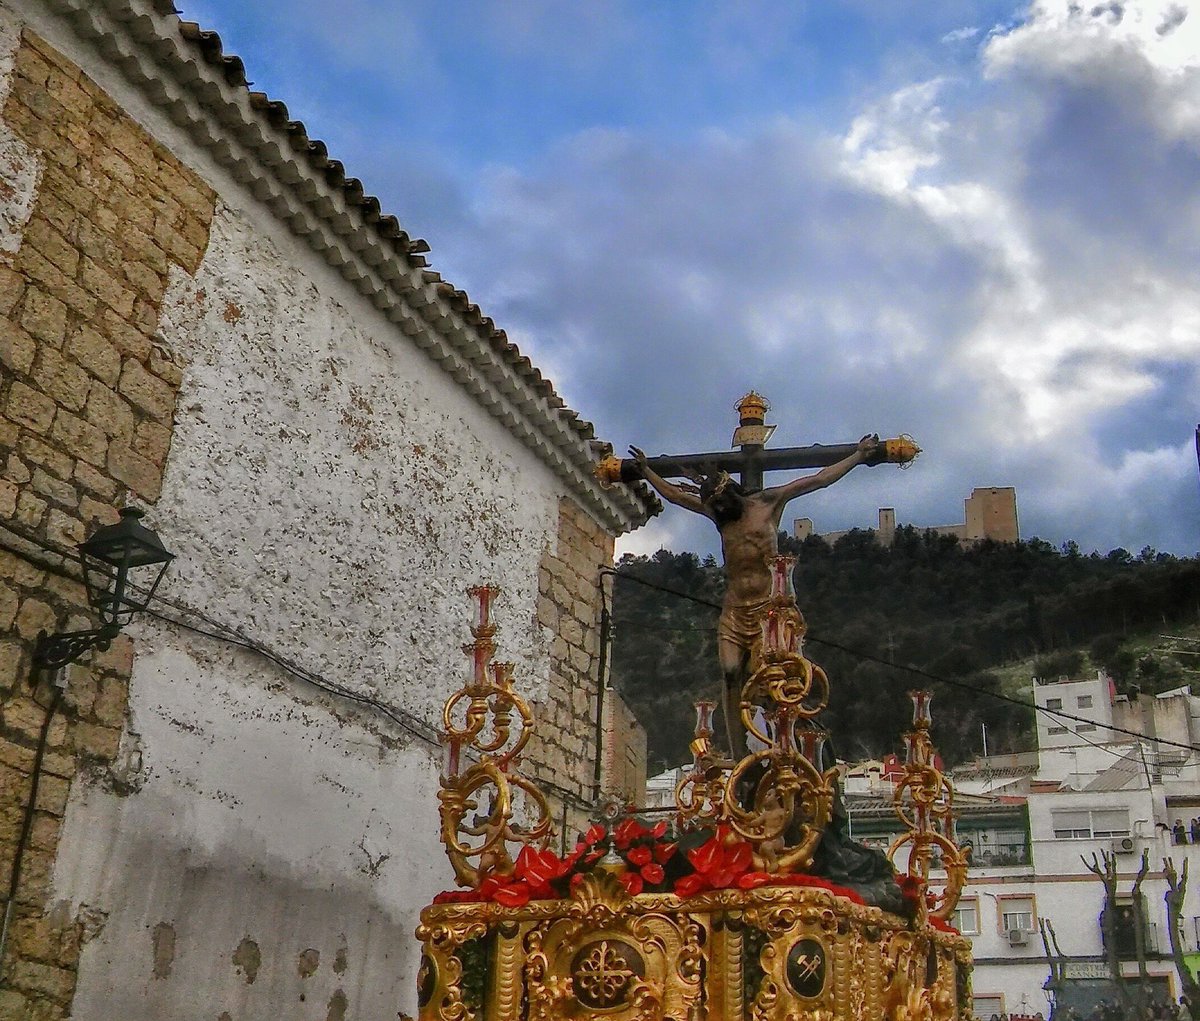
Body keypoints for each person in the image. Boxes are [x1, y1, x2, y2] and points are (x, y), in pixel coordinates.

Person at [629, 433, 880, 755]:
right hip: (734, 610)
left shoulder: (768, 502)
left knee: (766, 676)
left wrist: (858, 456)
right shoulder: (718, 515)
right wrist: (647, 471)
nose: (718, 511)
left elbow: (818, 480)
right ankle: (740, 752)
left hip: (768, 611)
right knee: (731, 674)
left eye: (720, 504)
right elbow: (677, 497)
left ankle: (781, 742)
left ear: (731, 493)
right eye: (714, 507)